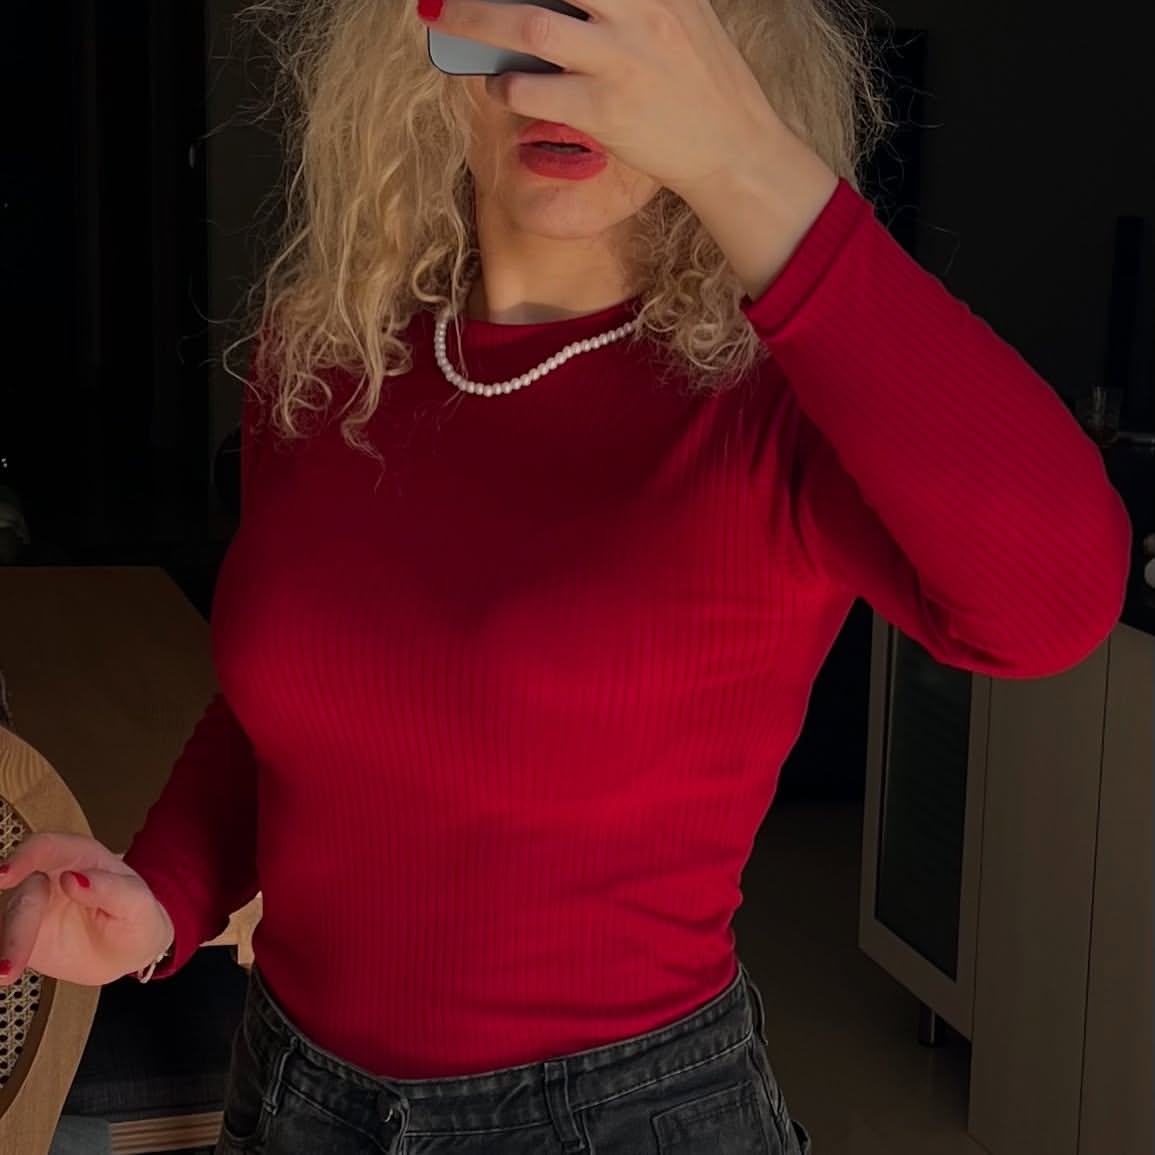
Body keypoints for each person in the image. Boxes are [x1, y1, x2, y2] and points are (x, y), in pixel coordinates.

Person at [0, 2, 1131, 1152]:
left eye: (614, 25)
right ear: (422, 43)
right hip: (292, 1098)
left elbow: (1054, 606)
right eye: (516, 18)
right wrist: (160, 900)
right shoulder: (329, 357)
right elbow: (295, 714)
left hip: (619, 1120)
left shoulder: (772, 403)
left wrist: (744, 159)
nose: (556, 73)